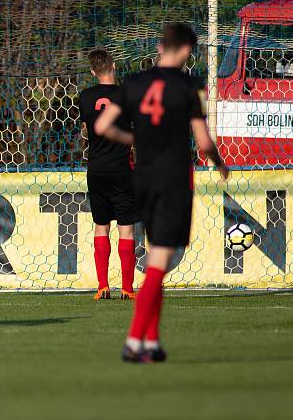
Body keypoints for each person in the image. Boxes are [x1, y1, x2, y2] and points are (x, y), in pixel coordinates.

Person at [95, 23, 229, 363]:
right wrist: (219, 163)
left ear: (159, 46)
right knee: (160, 260)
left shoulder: (134, 84)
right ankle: (134, 339)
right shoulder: (188, 85)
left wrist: (132, 140)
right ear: (186, 50)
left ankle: (151, 342)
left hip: (141, 177)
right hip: (173, 178)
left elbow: (101, 126)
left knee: (159, 254)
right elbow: (202, 141)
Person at [78, 49, 139, 300]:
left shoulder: (85, 96)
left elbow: (85, 131)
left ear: (93, 71)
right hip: (122, 168)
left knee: (101, 226)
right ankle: (127, 288)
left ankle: (102, 286)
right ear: (113, 66)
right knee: (126, 230)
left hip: (96, 168)